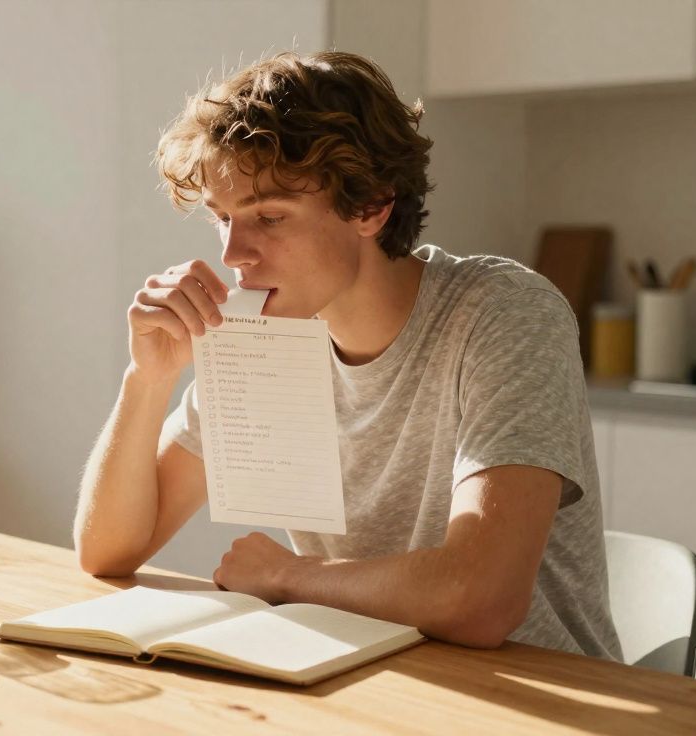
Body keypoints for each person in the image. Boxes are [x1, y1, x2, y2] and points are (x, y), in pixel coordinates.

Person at [72, 50, 621, 659]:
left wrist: (289, 578)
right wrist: (147, 378)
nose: (233, 253)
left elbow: (481, 599)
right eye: (222, 218)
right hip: (366, 680)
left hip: (547, 699)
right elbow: (108, 550)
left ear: (371, 205)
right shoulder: (265, 336)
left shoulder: (503, 312)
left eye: (269, 217)